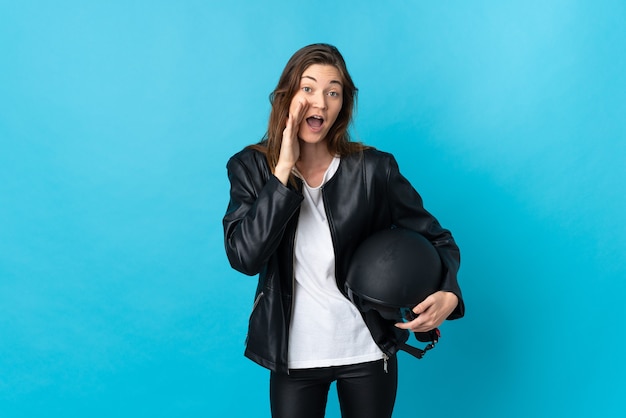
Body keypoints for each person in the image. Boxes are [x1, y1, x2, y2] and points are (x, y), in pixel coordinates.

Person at [223, 43, 464, 418]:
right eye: (308, 88)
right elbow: (245, 257)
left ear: (341, 106)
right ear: (287, 96)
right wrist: (282, 172)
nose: (320, 101)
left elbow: (437, 238)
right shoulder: (250, 168)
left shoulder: (374, 169)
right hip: (294, 355)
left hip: (367, 348)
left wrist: (449, 294)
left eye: (332, 92)